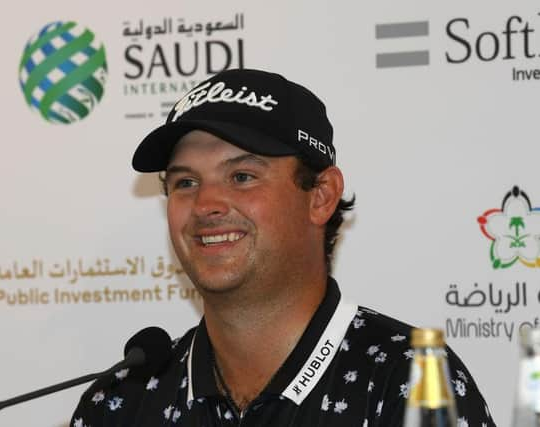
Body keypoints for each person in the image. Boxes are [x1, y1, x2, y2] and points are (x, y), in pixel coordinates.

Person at [71, 68, 495, 426]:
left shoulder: (411, 381)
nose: (206, 205)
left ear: (321, 196)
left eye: (242, 177)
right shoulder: (120, 403)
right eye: (186, 183)